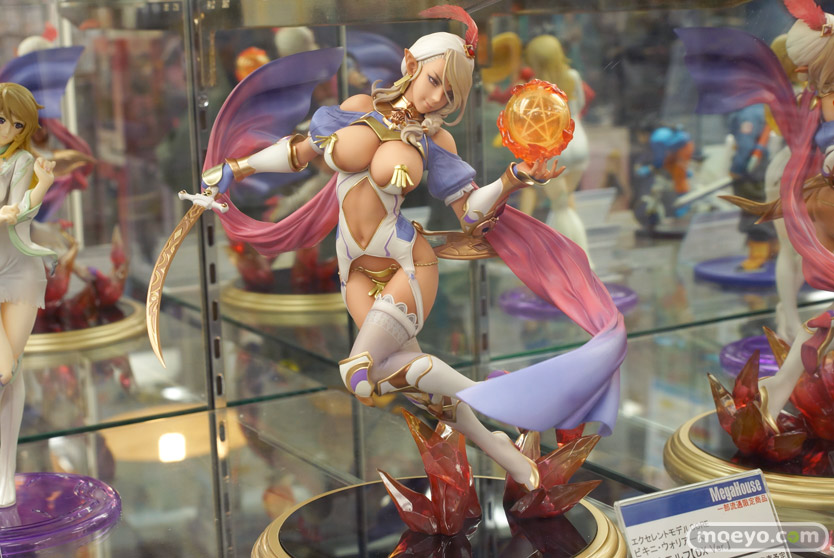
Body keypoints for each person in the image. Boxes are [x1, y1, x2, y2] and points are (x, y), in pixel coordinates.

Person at [174, 7, 626, 491]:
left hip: (405, 263)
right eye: (433, 80)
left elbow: (470, 212)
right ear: (410, 62)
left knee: (360, 374)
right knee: (419, 389)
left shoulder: (435, 141)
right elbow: (299, 151)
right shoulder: (356, 108)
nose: (436, 97)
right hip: (352, 269)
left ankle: (501, 400)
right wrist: (236, 169)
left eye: (449, 93)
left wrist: (512, 179)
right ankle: (500, 447)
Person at [0, 82, 56, 506]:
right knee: (4, 370)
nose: (8, 130)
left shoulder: (20, 162)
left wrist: (42, 186)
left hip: (19, 270)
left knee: (9, 372)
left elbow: (21, 211)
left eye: (18, 125)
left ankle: (4, 476)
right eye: (2, 120)